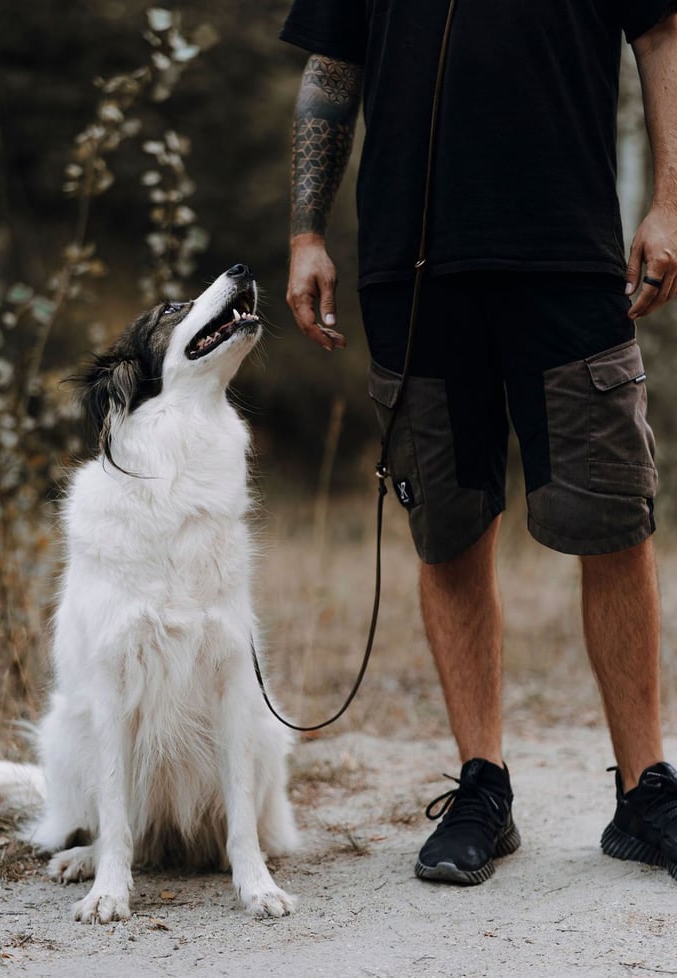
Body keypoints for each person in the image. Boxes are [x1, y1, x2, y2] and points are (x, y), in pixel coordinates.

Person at [281, 1, 677, 885]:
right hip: (413, 269)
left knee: (614, 518)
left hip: (571, 255)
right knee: (450, 529)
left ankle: (647, 791)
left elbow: (661, 35)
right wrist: (307, 232)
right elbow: (332, 69)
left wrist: (668, 203)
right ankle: (481, 789)